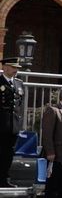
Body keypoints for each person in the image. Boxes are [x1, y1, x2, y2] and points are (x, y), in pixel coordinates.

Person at [0, 56, 21, 188]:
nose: (16, 70)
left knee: (9, 153)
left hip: (13, 125)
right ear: (5, 67)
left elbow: (19, 105)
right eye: (13, 67)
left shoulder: (19, 83)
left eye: (17, 68)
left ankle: (4, 179)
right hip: (1, 124)